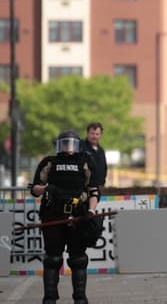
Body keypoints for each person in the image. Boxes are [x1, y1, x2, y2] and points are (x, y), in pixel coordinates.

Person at [29, 130, 102, 304]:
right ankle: (49, 299)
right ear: (58, 145)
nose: (68, 148)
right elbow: (34, 189)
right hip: (53, 215)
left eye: (72, 144)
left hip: (78, 215)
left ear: (78, 146)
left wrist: (91, 212)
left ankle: (80, 299)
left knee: (78, 259)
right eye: (65, 144)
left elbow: (94, 191)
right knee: (52, 258)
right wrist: (46, 189)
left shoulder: (86, 162)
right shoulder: (50, 162)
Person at [81, 122, 107, 186]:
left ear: (100, 135)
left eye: (97, 134)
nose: (94, 136)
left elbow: (104, 169)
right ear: (87, 134)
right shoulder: (81, 147)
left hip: (100, 187)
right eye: (92, 133)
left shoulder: (101, 150)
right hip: (84, 188)